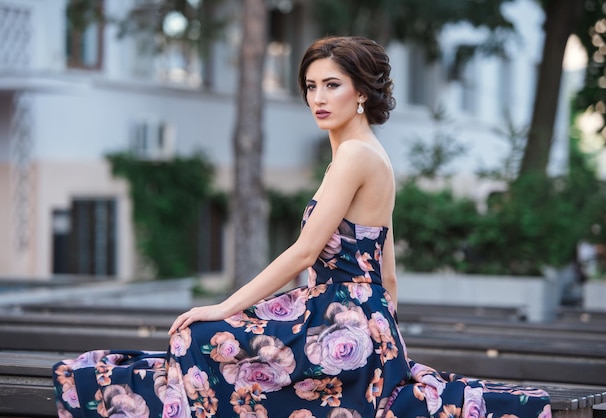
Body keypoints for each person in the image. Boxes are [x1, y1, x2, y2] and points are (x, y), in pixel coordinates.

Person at [52, 36, 552, 418]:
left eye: (331, 85)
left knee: (197, 338)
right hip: (350, 317)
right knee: (202, 346)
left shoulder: (356, 154)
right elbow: (388, 268)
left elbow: (303, 254)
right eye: (311, 86)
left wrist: (225, 305)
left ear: (361, 91)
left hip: (339, 319)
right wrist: (381, 332)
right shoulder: (365, 153)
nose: (318, 97)